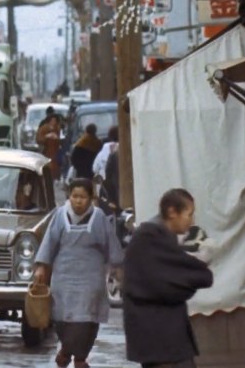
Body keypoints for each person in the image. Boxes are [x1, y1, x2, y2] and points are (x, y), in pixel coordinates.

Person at [33, 178, 123, 368]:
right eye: (74, 196)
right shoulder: (59, 216)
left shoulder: (99, 218)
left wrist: (118, 268)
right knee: (62, 319)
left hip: (90, 279)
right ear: (69, 197)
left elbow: (112, 246)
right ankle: (66, 348)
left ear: (91, 198)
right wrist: (41, 266)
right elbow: (48, 243)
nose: (78, 201)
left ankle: (80, 357)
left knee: (86, 320)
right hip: (63, 277)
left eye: (83, 197)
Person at [123, 189, 213, 368]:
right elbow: (163, 280)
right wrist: (197, 270)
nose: (192, 221)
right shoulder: (149, 236)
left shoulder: (160, 236)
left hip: (163, 326)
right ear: (172, 212)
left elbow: (178, 272)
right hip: (155, 328)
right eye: (189, 214)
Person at [36, 115, 62, 180]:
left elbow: (59, 141)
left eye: (55, 121)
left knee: (54, 169)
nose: (54, 122)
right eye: (52, 121)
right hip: (45, 152)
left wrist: (57, 138)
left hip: (54, 153)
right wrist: (46, 136)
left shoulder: (57, 129)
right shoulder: (44, 128)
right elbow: (38, 139)